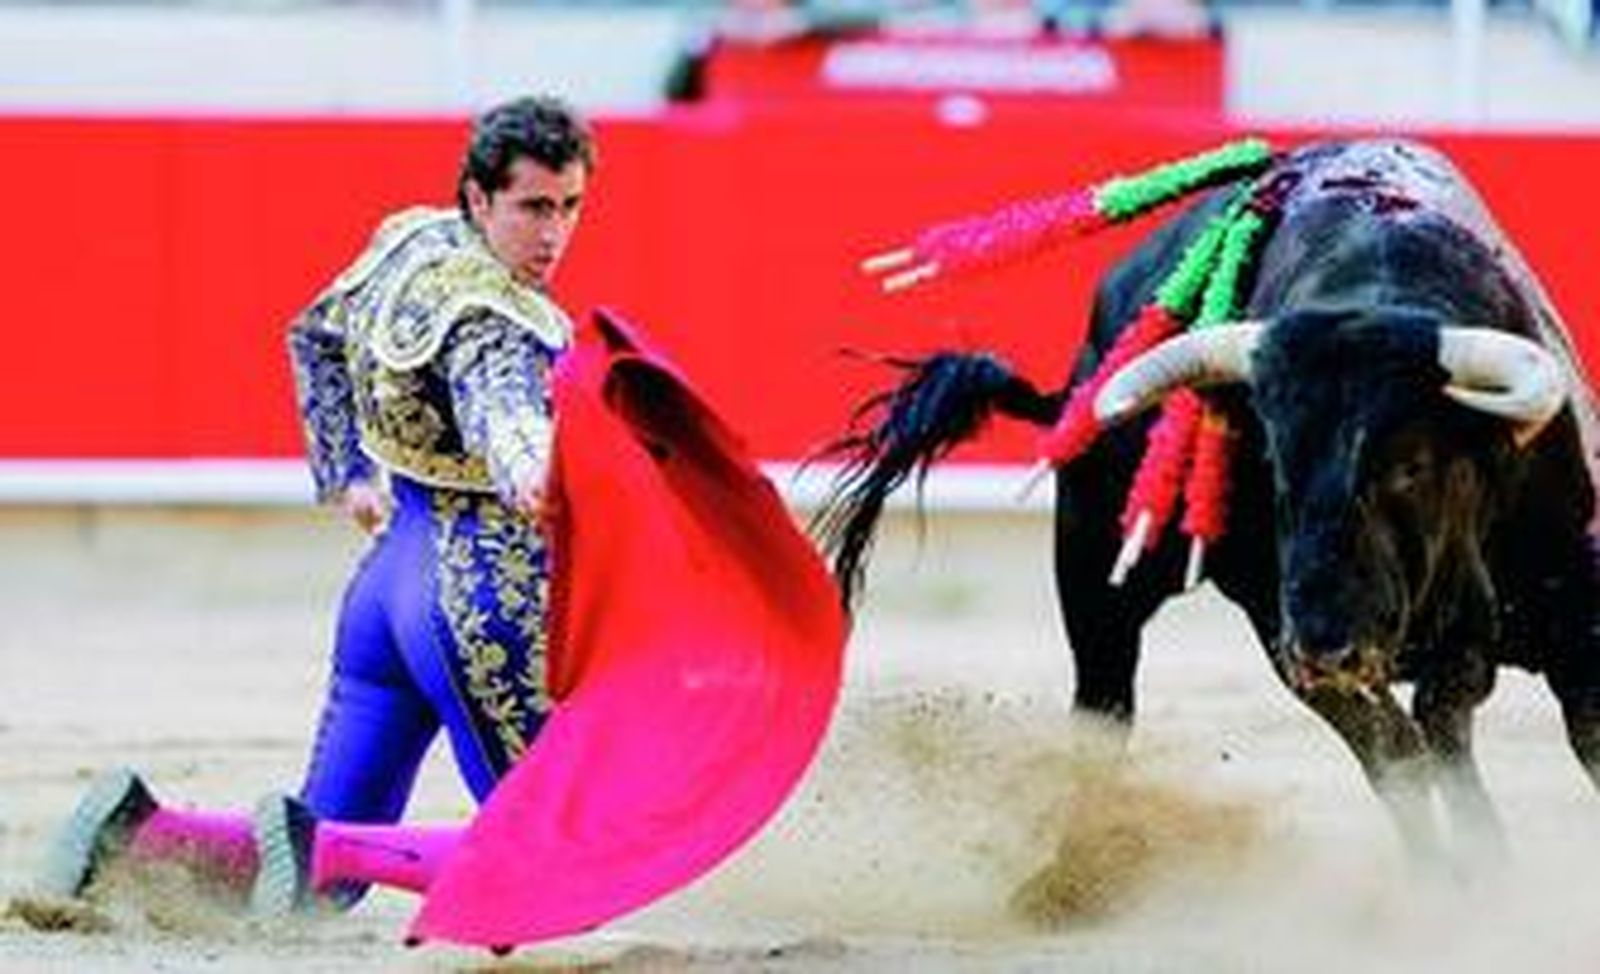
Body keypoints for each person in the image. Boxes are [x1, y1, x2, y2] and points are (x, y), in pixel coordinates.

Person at [41, 93, 597, 909]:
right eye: (533, 207)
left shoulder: (412, 239)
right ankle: (321, 850)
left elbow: (314, 336)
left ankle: (137, 836)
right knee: (556, 861)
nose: (552, 233)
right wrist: (532, 472)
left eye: (571, 207)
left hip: (384, 590)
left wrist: (351, 476)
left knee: (314, 882)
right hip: (474, 603)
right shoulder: (502, 320)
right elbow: (505, 415)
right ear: (479, 198)